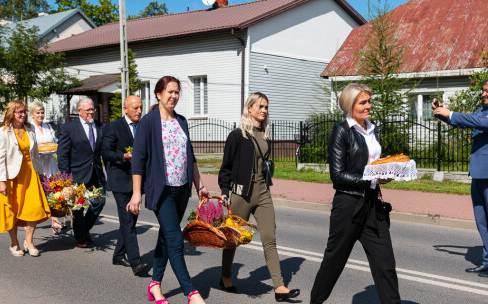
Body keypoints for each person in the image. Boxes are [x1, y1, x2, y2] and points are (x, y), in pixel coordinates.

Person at [309, 83, 400, 303]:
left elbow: (373, 164)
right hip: (348, 205)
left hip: (372, 204)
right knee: (334, 261)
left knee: (385, 264)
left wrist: (386, 172)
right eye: (363, 102)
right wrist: (371, 179)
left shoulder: (372, 128)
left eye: (369, 101)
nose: (369, 106)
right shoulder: (342, 131)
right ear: (350, 106)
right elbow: (337, 175)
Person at [128, 76, 208, 304]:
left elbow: (190, 157)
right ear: (159, 94)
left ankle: (155, 285)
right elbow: (138, 160)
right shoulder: (148, 122)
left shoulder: (181, 121)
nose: (174, 96)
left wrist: (199, 185)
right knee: (174, 240)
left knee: (165, 236)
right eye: (170, 92)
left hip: (181, 189)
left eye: (177, 92)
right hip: (161, 190)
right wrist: (136, 193)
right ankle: (191, 292)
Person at [218, 92, 301, 302]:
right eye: (260, 106)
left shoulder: (265, 135)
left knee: (269, 237)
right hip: (241, 193)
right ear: (250, 108)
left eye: (266, 107)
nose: (264, 110)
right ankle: (226, 276)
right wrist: (224, 192)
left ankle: (279, 287)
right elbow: (226, 167)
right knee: (232, 238)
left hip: (262, 191)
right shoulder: (237, 135)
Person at [433, 80, 488, 278]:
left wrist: (452, 113)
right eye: (483, 91)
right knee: (482, 221)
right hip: (479, 174)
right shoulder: (483, 110)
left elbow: (479, 123)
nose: (483, 94)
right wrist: (442, 114)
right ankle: (487, 262)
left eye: (486, 91)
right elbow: (468, 121)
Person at [0, 100, 51, 257]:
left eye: (24, 111)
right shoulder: (2, 132)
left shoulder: (30, 128)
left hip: (30, 173)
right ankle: (14, 243)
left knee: (33, 208)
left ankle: (29, 241)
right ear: (11, 113)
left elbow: (35, 153)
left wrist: (41, 173)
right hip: (11, 176)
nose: (23, 114)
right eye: (19, 112)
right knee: (12, 211)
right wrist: (1, 181)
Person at [102, 95, 149, 275]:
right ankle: (136, 262)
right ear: (125, 108)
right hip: (121, 180)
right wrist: (124, 156)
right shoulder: (114, 127)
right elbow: (106, 152)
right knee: (129, 220)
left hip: (138, 181)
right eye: (135, 108)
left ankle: (118, 254)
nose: (139, 111)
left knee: (129, 219)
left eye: (140, 107)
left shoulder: (143, 126)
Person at [57, 97, 106, 248]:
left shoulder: (99, 126)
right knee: (78, 207)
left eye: (93, 110)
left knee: (100, 201)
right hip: (76, 174)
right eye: (88, 110)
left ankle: (84, 229)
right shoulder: (69, 128)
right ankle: (80, 237)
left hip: (95, 172)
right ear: (79, 111)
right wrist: (66, 178)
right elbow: (62, 154)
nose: (91, 113)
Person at [29, 101, 64, 234]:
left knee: (53, 191)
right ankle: (31, 221)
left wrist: (55, 146)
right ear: (32, 114)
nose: (41, 115)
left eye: (42, 112)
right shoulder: (29, 128)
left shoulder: (48, 126)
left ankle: (55, 220)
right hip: (37, 163)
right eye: (38, 113)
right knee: (39, 193)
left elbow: (54, 142)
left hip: (50, 162)